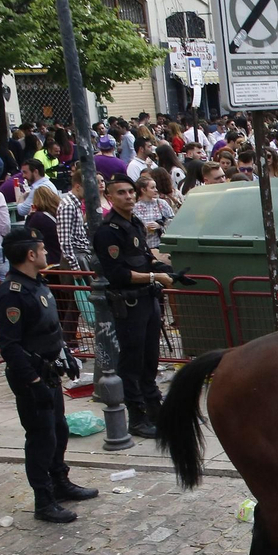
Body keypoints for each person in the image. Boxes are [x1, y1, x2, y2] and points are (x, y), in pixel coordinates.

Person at [0, 225, 95, 523]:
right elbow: (10, 347)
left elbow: (50, 330)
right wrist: (33, 381)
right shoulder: (12, 294)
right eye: (42, 249)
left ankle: (60, 482)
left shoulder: (37, 284)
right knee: (41, 439)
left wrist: (67, 354)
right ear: (30, 254)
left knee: (59, 431)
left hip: (50, 372)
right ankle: (44, 500)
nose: (47, 252)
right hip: (32, 377)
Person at [93, 174, 176, 437]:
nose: (128, 196)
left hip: (148, 299)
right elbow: (117, 273)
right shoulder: (108, 231)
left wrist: (167, 270)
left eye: (130, 191)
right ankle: (137, 417)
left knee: (150, 360)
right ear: (110, 196)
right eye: (121, 193)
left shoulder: (135, 223)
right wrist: (155, 276)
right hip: (128, 304)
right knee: (132, 363)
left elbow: (145, 258)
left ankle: (154, 409)